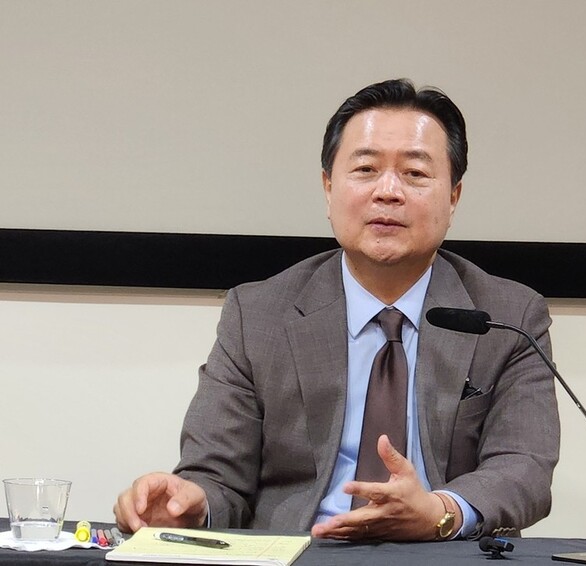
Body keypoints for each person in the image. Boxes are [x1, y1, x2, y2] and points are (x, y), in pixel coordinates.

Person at [114, 78, 560, 542]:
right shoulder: (258, 315)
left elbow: (523, 469)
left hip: (445, 554)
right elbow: (217, 475)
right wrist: (191, 505)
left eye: (415, 173)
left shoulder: (509, 317)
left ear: (453, 197)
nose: (388, 191)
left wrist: (439, 512)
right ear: (328, 189)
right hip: (298, 554)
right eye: (366, 169)